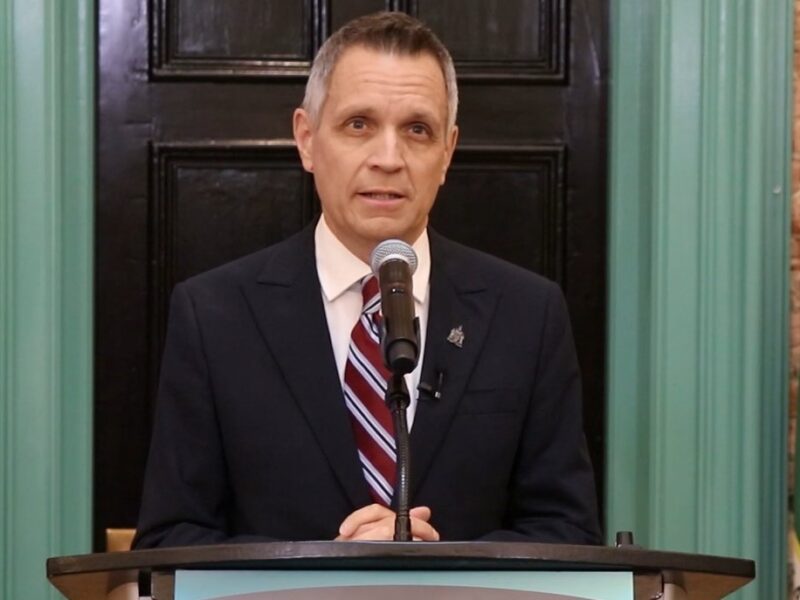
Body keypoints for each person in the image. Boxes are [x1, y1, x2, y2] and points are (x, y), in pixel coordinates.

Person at [133, 11, 601, 548]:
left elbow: (565, 532)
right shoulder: (213, 314)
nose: (388, 158)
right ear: (307, 140)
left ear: (447, 152)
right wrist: (321, 569)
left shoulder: (528, 314)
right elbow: (171, 539)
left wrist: (442, 563)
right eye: (359, 125)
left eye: (417, 130)